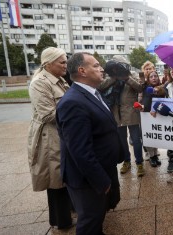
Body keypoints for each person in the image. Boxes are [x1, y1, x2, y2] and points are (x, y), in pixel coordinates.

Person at [56, 52, 123, 235]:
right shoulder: (73, 102)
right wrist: (101, 181)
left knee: (97, 218)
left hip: (99, 171)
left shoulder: (90, 93)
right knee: (90, 222)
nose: (101, 68)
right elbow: (80, 151)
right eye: (95, 65)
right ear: (82, 71)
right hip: (87, 180)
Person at [27, 47, 74, 230]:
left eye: (66, 61)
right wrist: (76, 113)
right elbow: (48, 115)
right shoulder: (39, 83)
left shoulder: (59, 79)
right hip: (50, 136)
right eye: (62, 62)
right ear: (48, 64)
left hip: (61, 133)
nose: (66, 65)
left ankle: (68, 213)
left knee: (63, 176)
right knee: (55, 180)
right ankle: (61, 221)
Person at [99, 55, 145, 177]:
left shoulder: (132, 74)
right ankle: (126, 161)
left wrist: (127, 79)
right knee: (121, 140)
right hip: (116, 114)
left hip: (131, 113)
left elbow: (140, 88)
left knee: (136, 140)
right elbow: (100, 87)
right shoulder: (110, 76)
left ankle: (140, 163)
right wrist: (114, 78)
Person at [141, 70, 166, 167]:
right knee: (149, 138)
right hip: (146, 117)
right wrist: (141, 107)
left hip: (157, 116)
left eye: (155, 76)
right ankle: (151, 157)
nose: (154, 78)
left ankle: (155, 156)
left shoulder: (161, 88)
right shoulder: (146, 88)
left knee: (156, 137)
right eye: (151, 77)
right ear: (148, 79)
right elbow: (144, 102)